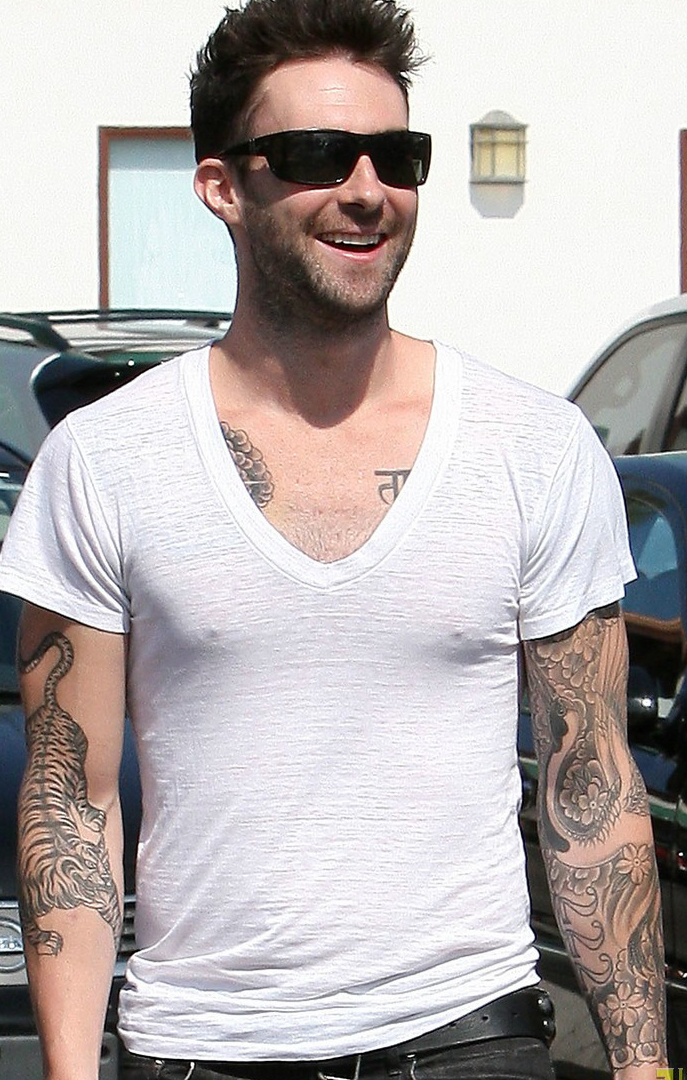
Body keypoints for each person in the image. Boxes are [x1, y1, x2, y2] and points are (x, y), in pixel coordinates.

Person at [0, 1, 667, 1078]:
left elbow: (588, 785)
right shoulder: (106, 462)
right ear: (221, 186)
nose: (366, 190)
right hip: (204, 1049)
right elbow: (71, 806)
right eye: (316, 154)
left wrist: (643, 1068)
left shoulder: (533, 447)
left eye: (396, 157)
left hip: (468, 1041)